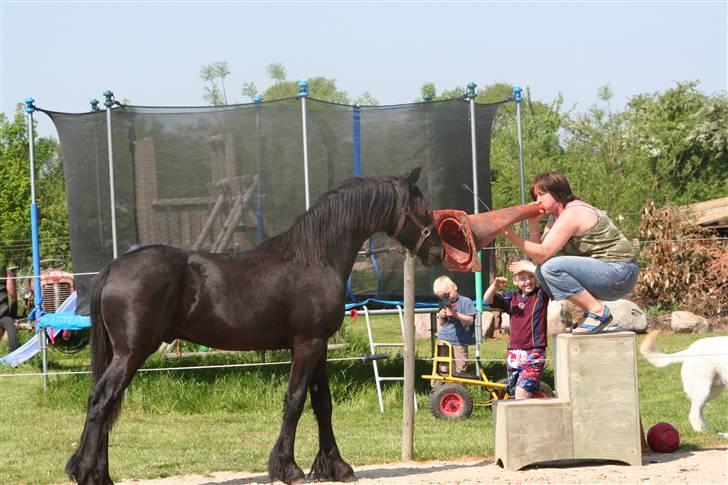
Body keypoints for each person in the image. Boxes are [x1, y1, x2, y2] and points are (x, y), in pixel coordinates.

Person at [501, 171, 639, 334]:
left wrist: (510, 234)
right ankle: (593, 312)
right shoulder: (555, 218)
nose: (537, 201)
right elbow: (539, 258)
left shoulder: (573, 212)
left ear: (557, 191)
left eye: (542, 194)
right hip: (608, 274)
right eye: (535, 196)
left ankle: (597, 310)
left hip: (620, 273)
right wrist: (533, 225)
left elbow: (543, 254)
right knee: (542, 271)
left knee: (551, 267)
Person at [484, 262, 549, 399]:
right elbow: (487, 299)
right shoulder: (511, 298)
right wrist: (495, 286)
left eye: (531, 277)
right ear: (515, 281)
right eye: (523, 278)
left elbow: (547, 276)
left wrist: (531, 267)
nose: (527, 281)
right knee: (514, 392)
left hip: (534, 352)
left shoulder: (541, 295)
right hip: (514, 353)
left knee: (521, 394)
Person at [433, 275, 476, 374]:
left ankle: (458, 388)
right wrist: (441, 315)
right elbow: (443, 324)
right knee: (443, 367)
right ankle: (440, 388)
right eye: (443, 297)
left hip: (460, 341)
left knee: (461, 368)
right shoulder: (443, 303)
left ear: (455, 287)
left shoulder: (466, 302)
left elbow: (471, 321)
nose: (447, 298)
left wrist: (455, 314)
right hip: (444, 338)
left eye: (448, 294)